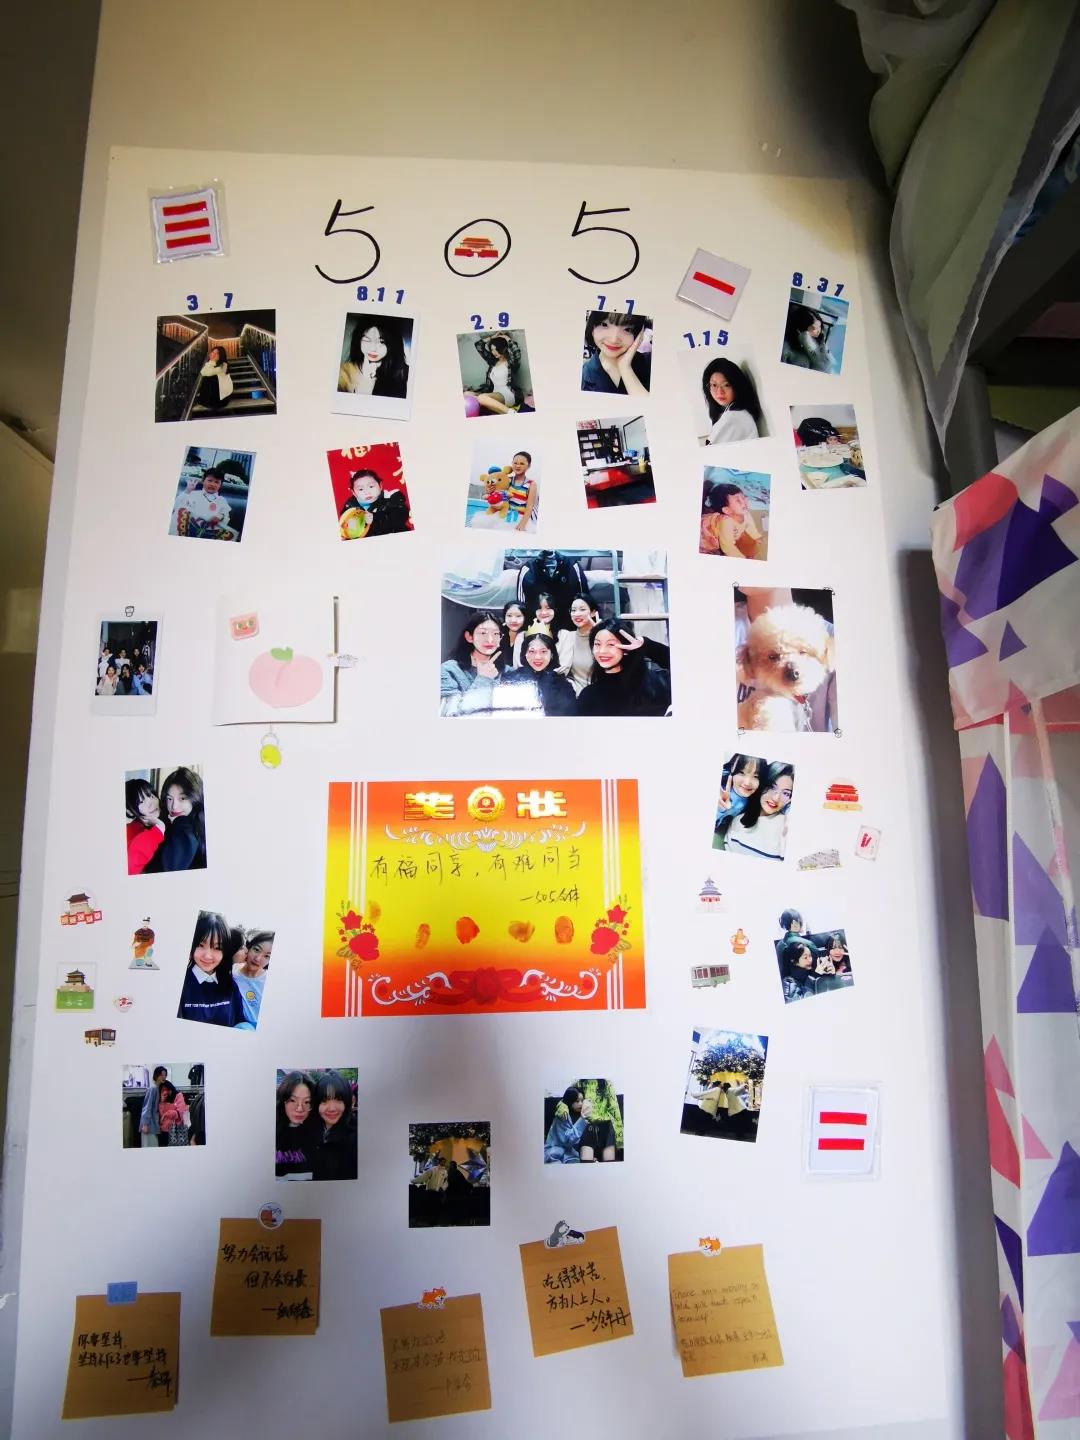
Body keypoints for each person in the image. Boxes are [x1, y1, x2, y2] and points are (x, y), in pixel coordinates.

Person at [576, 619, 671, 717]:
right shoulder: (589, 695)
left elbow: (680, 666)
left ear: (626, 648)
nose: (602, 651)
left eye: (611, 644)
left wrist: (646, 645)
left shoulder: (655, 684)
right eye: (597, 644)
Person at [176, 911, 245, 1027]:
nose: (208, 956)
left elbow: (240, 1021)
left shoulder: (231, 985)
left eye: (217, 947)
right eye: (200, 945)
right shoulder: (180, 984)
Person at [720, 761, 794, 860]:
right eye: (772, 787)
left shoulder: (786, 825)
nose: (776, 798)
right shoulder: (737, 821)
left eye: (786, 793)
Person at [439, 611, 504, 717]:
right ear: (469, 637)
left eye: (496, 634)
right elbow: (451, 715)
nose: (490, 639)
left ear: (500, 638)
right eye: (483, 633)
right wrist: (484, 679)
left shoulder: (507, 671)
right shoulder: (449, 670)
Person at [501, 628, 577, 716]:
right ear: (525, 653)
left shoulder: (564, 686)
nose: (538, 657)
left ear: (552, 654)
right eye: (532, 651)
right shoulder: (509, 680)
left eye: (543, 651)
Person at [144, 767, 206, 872]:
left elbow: (170, 868)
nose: (174, 806)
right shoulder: (168, 823)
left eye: (182, 798)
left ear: (195, 798)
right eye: (169, 799)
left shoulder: (190, 828)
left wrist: (181, 822)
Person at [517, 552, 589, 634]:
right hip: (537, 627)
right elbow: (520, 605)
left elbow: (585, 599)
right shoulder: (528, 568)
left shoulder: (572, 565)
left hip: (568, 625)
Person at [338, 316, 410, 398]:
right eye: (367, 340)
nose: (373, 348)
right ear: (358, 340)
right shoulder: (343, 372)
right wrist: (366, 380)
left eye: (381, 342)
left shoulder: (404, 373)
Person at [581, 311, 651, 395]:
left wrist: (625, 368)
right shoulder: (582, 377)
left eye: (627, 329)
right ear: (592, 327)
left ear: (639, 334)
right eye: (604, 325)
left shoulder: (651, 364)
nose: (613, 340)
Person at [701, 357, 763, 445]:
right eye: (714, 385)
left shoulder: (734, 417)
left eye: (726, 385)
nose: (720, 392)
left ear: (737, 386)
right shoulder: (730, 413)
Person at [338, 467, 411, 539]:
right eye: (361, 489)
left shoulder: (391, 497)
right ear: (353, 492)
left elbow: (400, 516)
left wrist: (375, 518)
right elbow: (345, 522)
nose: (367, 492)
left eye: (371, 486)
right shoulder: (351, 505)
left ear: (380, 485)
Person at [311, 1070, 358, 1181]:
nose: (332, 1108)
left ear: (347, 1102)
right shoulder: (308, 1132)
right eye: (324, 1100)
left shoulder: (355, 1138)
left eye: (338, 1100)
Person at [699, 480, 764, 558]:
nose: (744, 502)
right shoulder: (726, 523)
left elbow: (750, 526)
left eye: (743, 497)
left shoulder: (745, 513)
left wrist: (756, 536)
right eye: (738, 501)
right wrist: (740, 557)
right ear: (727, 510)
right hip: (706, 533)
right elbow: (728, 547)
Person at [465, 331, 523, 414]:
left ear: (503, 348)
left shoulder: (511, 362)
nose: (494, 352)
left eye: (496, 349)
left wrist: (506, 338)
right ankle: (493, 405)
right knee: (466, 394)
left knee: (482, 398)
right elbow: (478, 345)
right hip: (494, 393)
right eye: (492, 349)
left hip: (507, 394)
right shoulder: (493, 362)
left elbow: (516, 353)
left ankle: (511, 412)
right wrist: (493, 337)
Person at [275, 1071, 318, 1179]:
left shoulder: (318, 1133)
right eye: (292, 1100)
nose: (299, 1109)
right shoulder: (270, 1132)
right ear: (283, 1100)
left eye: (307, 1102)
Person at [173, 463, 233, 538]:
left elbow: (226, 515)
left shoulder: (222, 500)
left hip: (209, 532)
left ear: (220, 485)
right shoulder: (193, 494)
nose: (212, 484)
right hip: (188, 530)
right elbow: (177, 507)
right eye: (210, 480)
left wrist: (219, 517)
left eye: (216, 482)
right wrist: (187, 491)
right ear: (203, 481)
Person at [556, 593, 600, 694]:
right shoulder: (566, 636)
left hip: (598, 695)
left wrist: (600, 632)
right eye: (573, 610)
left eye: (582, 609)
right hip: (574, 696)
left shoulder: (601, 638)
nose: (577, 614)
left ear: (593, 612)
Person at [714, 754, 765, 840]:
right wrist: (719, 809)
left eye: (756, 776)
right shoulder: (721, 788)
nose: (747, 783)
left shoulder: (757, 798)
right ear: (732, 768)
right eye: (741, 772)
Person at [233, 929, 273, 1029]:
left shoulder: (268, 982)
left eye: (267, 956)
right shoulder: (232, 971)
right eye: (256, 950)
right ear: (249, 948)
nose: (257, 959)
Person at [125, 778, 165, 875]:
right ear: (130, 811)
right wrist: (158, 830)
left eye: (151, 796)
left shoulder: (166, 818)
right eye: (141, 802)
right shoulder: (131, 831)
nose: (151, 804)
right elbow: (129, 867)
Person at [576, 1078, 623, 1161]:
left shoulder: (607, 1084)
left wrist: (620, 1141)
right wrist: (562, 1108)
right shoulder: (579, 1083)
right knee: (586, 1162)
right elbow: (567, 1099)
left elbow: (615, 1111)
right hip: (588, 1128)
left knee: (609, 1164)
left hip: (606, 1129)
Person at [544, 1087, 591, 1163]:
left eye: (582, 1101)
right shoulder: (562, 1114)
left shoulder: (583, 1114)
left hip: (570, 1153)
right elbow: (567, 1140)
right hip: (554, 1151)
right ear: (570, 1101)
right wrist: (582, 1120)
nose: (580, 1104)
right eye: (577, 1101)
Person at [782, 305, 834, 372]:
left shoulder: (821, 343)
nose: (819, 331)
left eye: (819, 326)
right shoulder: (787, 349)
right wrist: (806, 340)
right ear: (800, 330)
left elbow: (826, 367)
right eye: (814, 328)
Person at [504, 451, 538, 531]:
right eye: (515, 463)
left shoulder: (531, 484)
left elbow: (529, 507)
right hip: (507, 517)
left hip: (521, 518)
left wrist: (522, 524)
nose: (518, 466)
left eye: (522, 464)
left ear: (528, 466)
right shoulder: (507, 480)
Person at [196, 345, 233, 411]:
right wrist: (211, 361)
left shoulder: (224, 365)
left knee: (211, 378)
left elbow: (207, 372)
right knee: (208, 378)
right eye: (213, 352)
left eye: (217, 353)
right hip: (213, 395)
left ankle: (208, 400)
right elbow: (203, 372)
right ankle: (206, 399)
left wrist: (212, 361)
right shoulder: (211, 363)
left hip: (221, 397)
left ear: (221, 356)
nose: (213, 354)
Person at [139, 1065, 168, 1147]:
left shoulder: (158, 1088)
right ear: (156, 1075)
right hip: (149, 1124)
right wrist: (145, 1124)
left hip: (153, 1124)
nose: (164, 1077)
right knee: (149, 1146)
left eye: (165, 1075)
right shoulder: (153, 1089)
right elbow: (147, 1107)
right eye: (161, 1075)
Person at [158, 1081, 189, 1146]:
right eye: (163, 1090)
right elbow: (161, 1113)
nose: (166, 1092)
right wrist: (162, 1101)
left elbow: (180, 1112)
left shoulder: (179, 1096)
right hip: (164, 1130)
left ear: (171, 1088)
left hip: (176, 1129)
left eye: (167, 1089)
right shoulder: (162, 1099)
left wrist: (167, 1113)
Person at [501, 601, 527, 667]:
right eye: (509, 616)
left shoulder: (528, 637)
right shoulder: (499, 633)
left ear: (525, 617)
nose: (513, 620)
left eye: (518, 616)